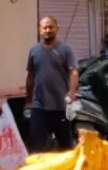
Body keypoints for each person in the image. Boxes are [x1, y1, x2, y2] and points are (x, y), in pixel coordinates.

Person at [26, 16, 79, 153]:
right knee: (37, 145)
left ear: (57, 29)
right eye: (45, 27)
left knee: (65, 145)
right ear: (40, 30)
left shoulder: (66, 49)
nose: (48, 30)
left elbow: (73, 72)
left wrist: (72, 92)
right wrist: (28, 100)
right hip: (39, 106)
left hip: (60, 105)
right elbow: (30, 76)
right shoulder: (34, 51)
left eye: (51, 27)